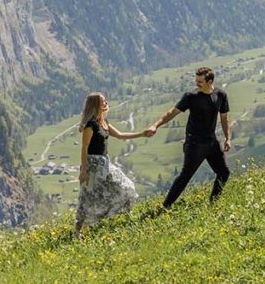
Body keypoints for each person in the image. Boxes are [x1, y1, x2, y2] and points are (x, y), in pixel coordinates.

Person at [146, 67, 231, 208]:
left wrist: (228, 138)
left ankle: (214, 203)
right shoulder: (191, 96)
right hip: (195, 143)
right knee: (185, 176)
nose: (197, 84)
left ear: (210, 81)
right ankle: (165, 206)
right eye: (196, 81)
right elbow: (172, 112)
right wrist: (155, 125)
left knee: (224, 172)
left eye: (200, 81)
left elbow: (224, 118)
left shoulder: (221, 95)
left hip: (212, 142)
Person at [75, 92, 145, 232]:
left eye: (105, 100)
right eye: (103, 101)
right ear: (96, 105)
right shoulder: (91, 124)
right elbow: (85, 147)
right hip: (93, 165)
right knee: (89, 196)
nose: (106, 103)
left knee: (125, 186)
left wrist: (142, 133)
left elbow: (120, 135)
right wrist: (84, 171)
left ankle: (115, 218)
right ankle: (78, 230)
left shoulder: (104, 122)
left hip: (105, 163)